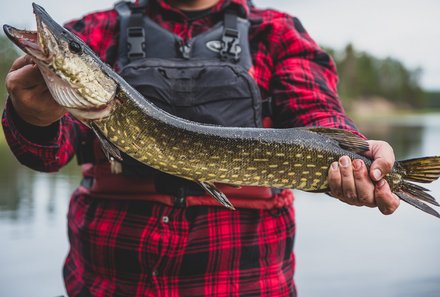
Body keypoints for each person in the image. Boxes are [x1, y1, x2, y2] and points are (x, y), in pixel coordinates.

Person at [3, 0, 400, 296]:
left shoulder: (276, 32)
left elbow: (317, 110)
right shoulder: (96, 29)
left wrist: (361, 159)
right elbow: (46, 156)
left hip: (246, 283)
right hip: (108, 282)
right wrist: (32, 116)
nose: (69, 49)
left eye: (73, 52)